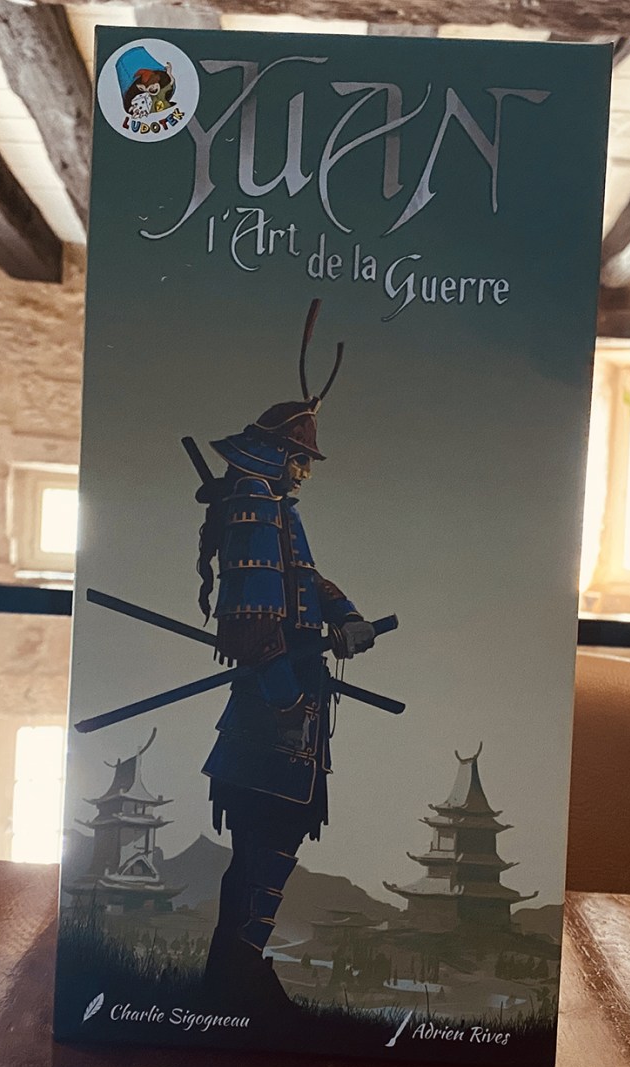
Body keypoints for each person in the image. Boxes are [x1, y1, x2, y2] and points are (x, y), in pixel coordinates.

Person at [193, 303, 377, 1013]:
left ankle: (237, 970)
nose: (305, 471)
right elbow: (252, 617)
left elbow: (303, 579)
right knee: (265, 835)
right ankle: (235, 976)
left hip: (294, 687)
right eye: (299, 458)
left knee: (273, 841)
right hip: (274, 701)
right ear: (274, 454)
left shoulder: (276, 508)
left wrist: (346, 615)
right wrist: (284, 694)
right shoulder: (253, 505)